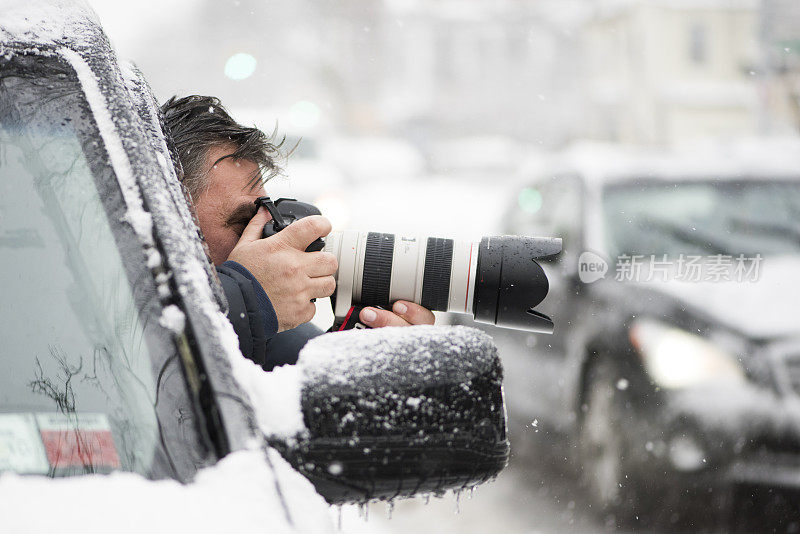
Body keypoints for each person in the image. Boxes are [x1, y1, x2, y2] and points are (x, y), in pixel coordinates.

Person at [161, 95, 435, 370]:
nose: (268, 242)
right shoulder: (132, 323)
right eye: (245, 223)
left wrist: (357, 364)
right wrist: (249, 300)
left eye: (266, 220)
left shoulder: (273, 339)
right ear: (167, 225)